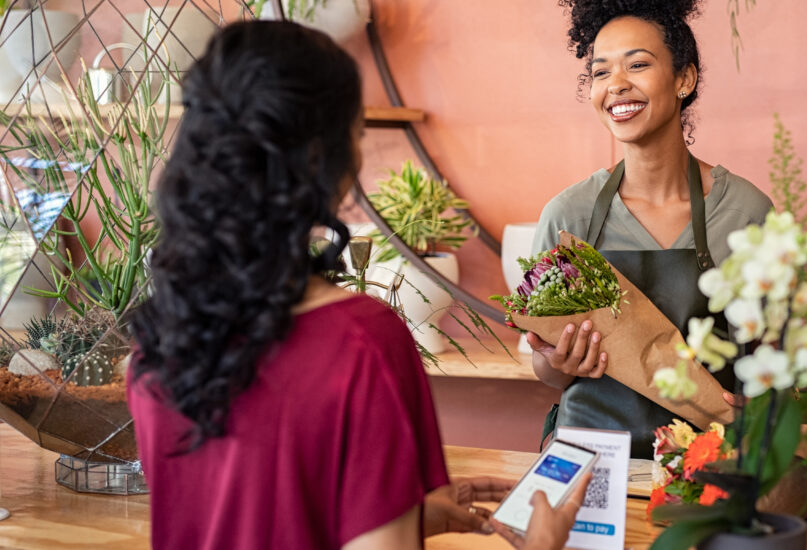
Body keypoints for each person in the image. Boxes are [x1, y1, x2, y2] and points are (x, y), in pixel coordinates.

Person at [127, 21, 587, 550]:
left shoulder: (161, 337)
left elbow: (247, 502)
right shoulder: (361, 342)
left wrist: (394, 512)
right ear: (324, 159)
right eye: (357, 132)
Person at [530, 0, 774, 458]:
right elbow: (547, 372)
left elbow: (773, 357)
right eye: (600, 73)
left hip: (709, 470)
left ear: (685, 78)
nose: (616, 85)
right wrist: (557, 362)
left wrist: (764, 403)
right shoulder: (569, 217)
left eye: (638, 65)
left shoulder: (746, 214)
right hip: (593, 465)